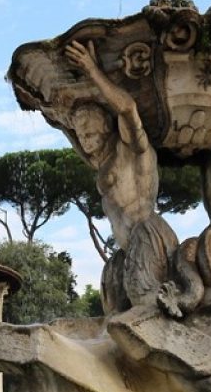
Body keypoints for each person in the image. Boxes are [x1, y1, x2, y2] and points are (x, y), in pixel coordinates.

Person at [64, 40, 177, 311]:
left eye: (89, 134)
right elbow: (70, 133)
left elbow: (127, 108)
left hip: (149, 238)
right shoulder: (101, 163)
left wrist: (93, 71)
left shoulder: (133, 148)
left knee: (145, 311)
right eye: (82, 136)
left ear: (106, 128)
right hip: (125, 251)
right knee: (112, 314)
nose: (85, 142)